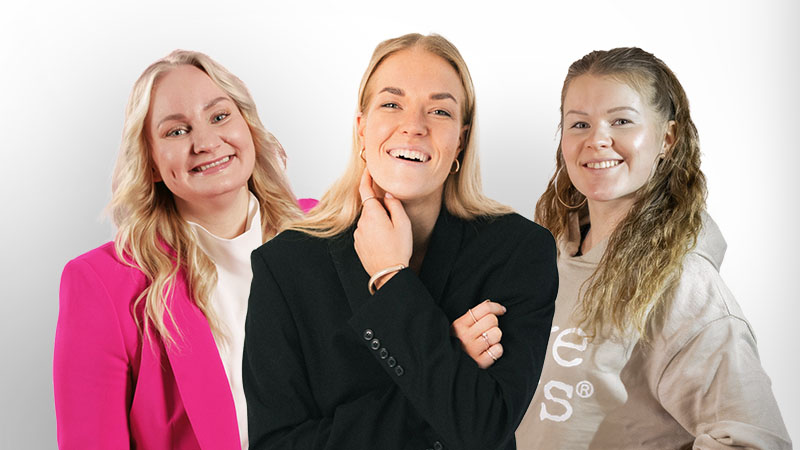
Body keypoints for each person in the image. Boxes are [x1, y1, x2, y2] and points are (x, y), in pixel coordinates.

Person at [242, 33, 558, 450]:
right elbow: (276, 444)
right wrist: (447, 358)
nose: (414, 125)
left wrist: (392, 279)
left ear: (460, 140)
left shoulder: (520, 251)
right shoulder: (284, 266)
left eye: (440, 111)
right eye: (391, 104)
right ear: (362, 128)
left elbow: (483, 430)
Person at [515, 47, 791, 449]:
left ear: (667, 138)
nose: (598, 140)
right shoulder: (545, 256)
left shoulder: (685, 285)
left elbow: (754, 441)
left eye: (621, 121)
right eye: (579, 124)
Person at [53, 50, 315, 449]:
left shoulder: (327, 232)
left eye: (220, 116)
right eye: (176, 131)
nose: (206, 143)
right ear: (152, 164)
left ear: (248, 126)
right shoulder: (103, 284)